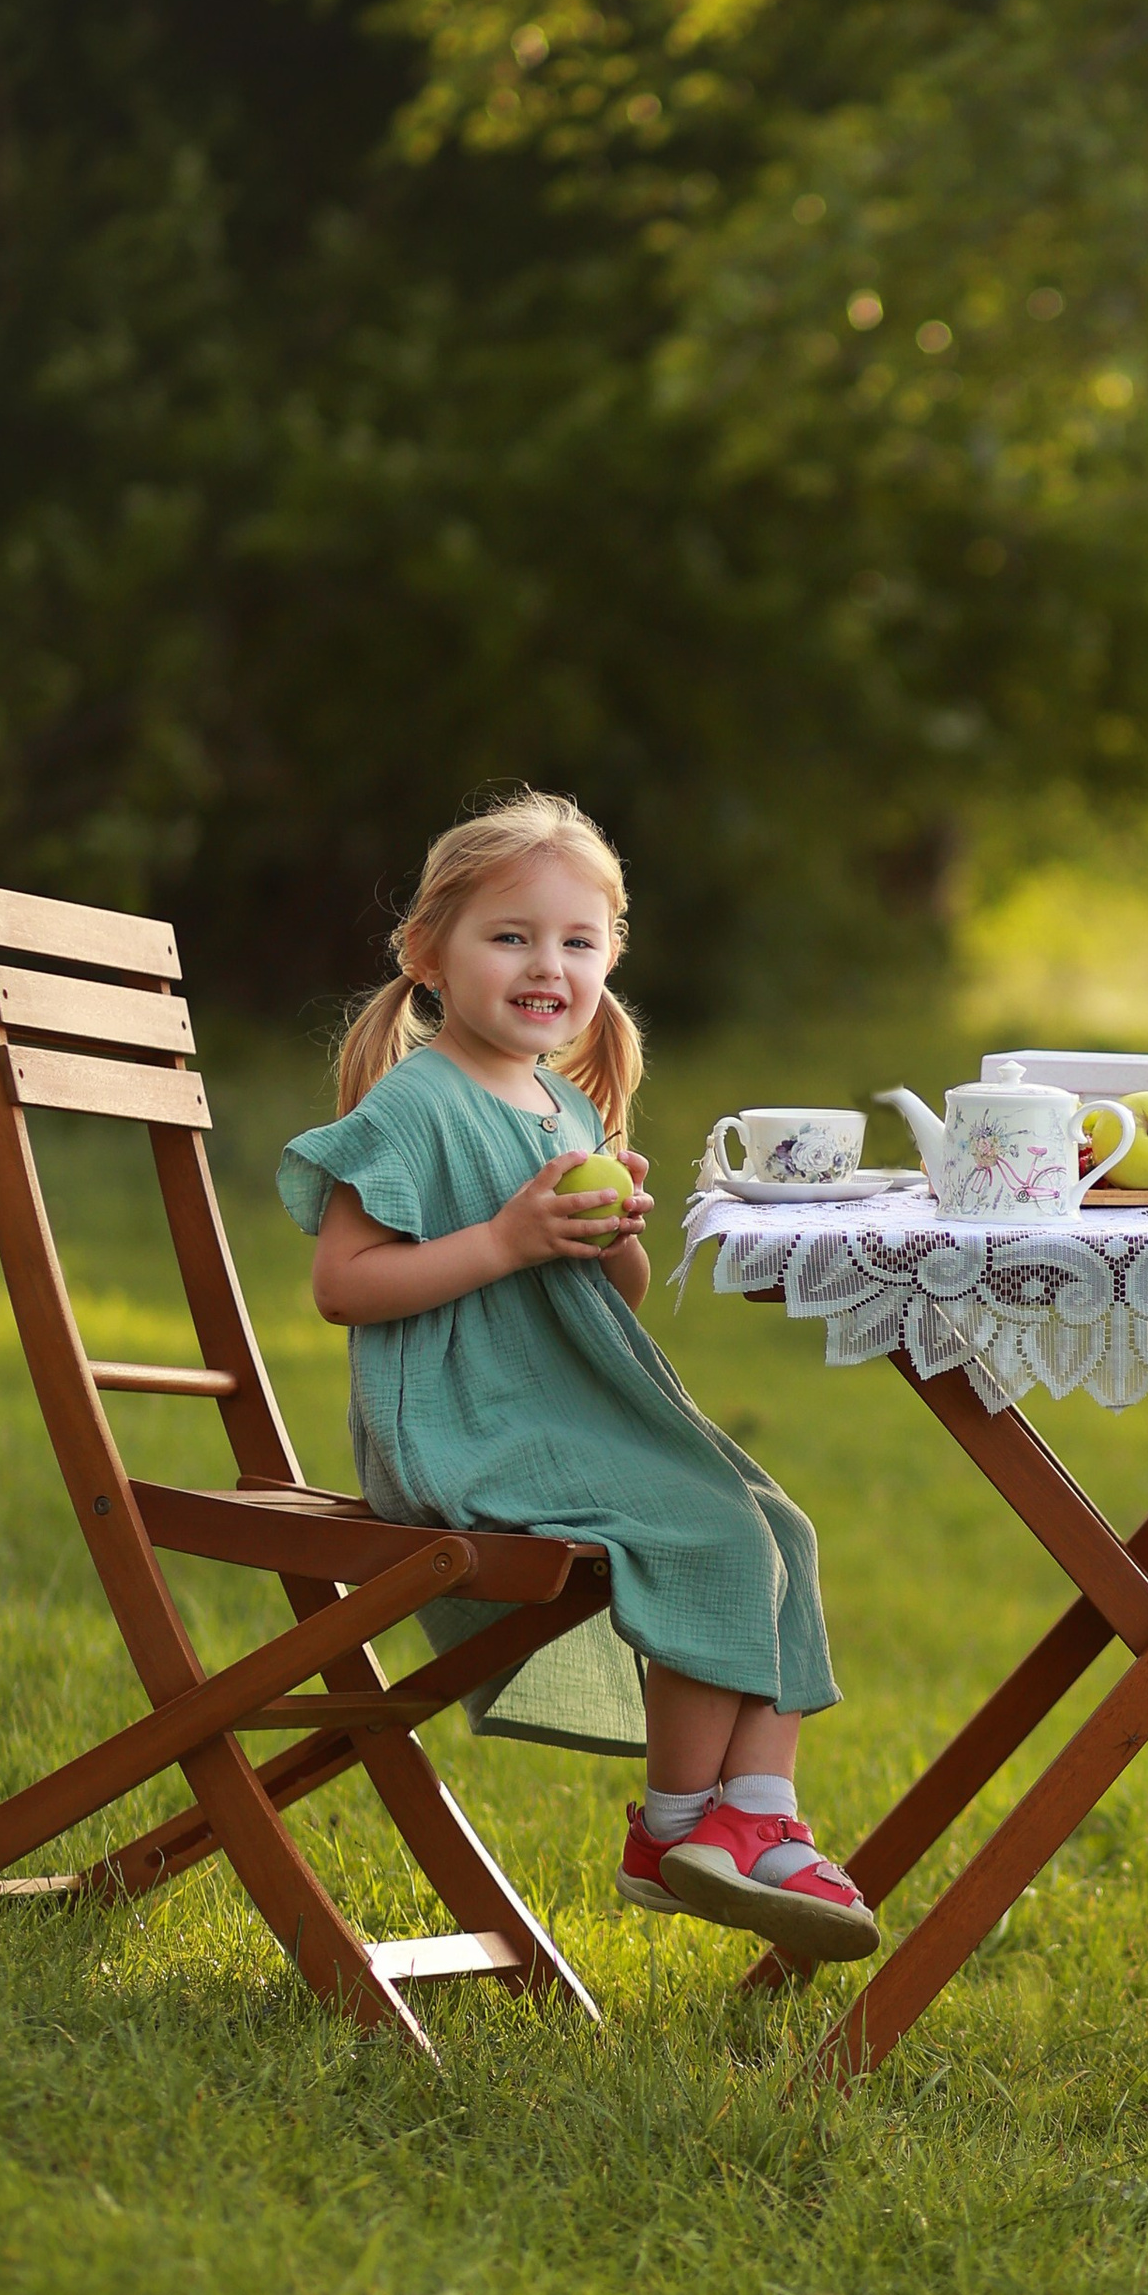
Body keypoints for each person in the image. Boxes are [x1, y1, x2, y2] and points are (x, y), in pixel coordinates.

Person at [278, 789, 878, 1966]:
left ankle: (756, 1816)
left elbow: (613, 1300)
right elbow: (343, 1285)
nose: (546, 964)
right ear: (428, 955)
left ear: (608, 958)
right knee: (710, 1530)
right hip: (464, 1428)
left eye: (577, 941)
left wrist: (609, 1237)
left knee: (780, 1525)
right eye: (511, 936)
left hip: (552, 1410)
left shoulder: (563, 1106)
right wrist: (503, 1240)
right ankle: (669, 1831)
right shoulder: (416, 1104)